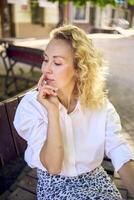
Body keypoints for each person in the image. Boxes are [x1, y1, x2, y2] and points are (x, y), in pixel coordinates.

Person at [13, 24, 134, 200]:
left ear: (79, 69)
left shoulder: (99, 105)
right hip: (54, 184)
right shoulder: (32, 106)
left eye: (57, 62)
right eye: (45, 59)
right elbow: (53, 167)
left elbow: (118, 150)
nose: (46, 69)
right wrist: (52, 112)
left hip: (96, 179)